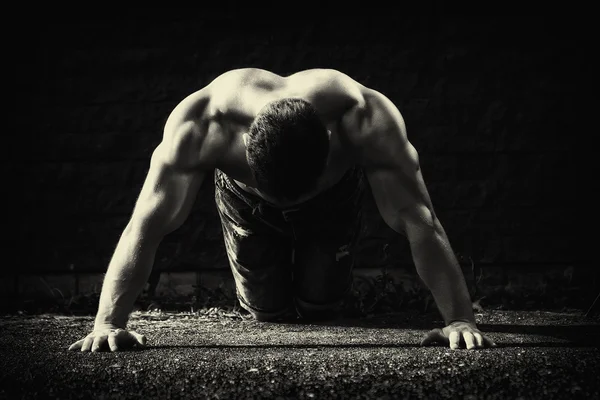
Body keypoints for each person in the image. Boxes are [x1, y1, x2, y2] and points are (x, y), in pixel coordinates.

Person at [68, 68, 496, 352]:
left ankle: (319, 283)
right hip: (245, 205)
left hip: (331, 201)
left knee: (320, 306)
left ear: (329, 146)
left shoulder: (364, 117)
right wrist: (108, 323)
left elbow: (417, 216)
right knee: (267, 310)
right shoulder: (202, 124)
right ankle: (269, 286)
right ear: (246, 149)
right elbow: (147, 223)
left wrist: (459, 318)